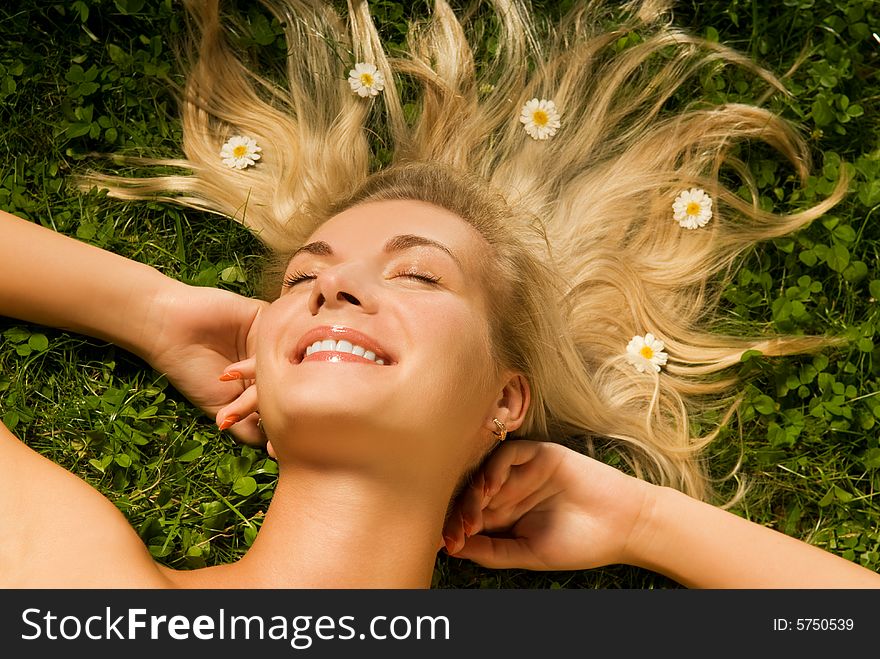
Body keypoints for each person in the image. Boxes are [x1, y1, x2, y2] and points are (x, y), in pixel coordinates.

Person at [1, 0, 877, 588]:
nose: (334, 284)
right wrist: (150, 309)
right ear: (252, 384)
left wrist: (641, 517)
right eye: (306, 276)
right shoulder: (80, 578)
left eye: (417, 272)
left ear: (505, 398)